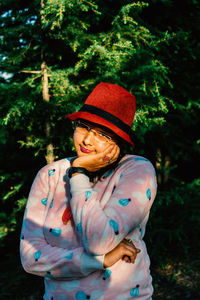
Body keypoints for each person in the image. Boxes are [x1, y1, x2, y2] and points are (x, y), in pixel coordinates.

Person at [20, 82, 157, 300]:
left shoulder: (136, 171)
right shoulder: (49, 175)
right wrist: (99, 261)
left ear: (119, 143)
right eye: (84, 126)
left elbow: (99, 241)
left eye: (103, 134)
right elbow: (29, 257)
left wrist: (79, 175)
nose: (87, 140)